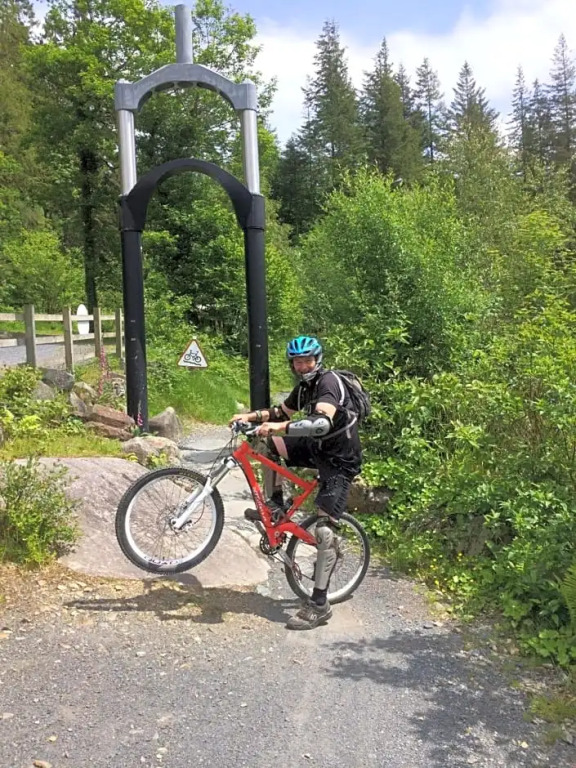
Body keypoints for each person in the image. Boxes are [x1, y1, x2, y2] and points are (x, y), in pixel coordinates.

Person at [229, 335, 363, 630]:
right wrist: (249, 417)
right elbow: (281, 412)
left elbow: (321, 423)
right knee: (267, 445)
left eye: (307, 361)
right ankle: (276, 504)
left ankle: (319, 604)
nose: (302, 367)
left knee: (324, 531)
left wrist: (280, 426)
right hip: (317, 449)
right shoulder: (305, 387)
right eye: (297, 362)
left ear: (318, 360)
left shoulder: (328, 382)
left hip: (340, 460)